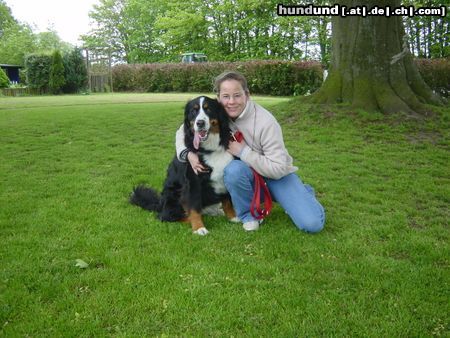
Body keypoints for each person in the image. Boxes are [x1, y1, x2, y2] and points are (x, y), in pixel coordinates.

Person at [176, 71, 325, 233]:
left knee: (312, 224)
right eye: (226, 96)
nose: (231, 102)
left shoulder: (266, 122)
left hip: (275, 175)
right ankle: (248, 215)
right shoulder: (217, 112)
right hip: (246, 176)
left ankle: (300, 192)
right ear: (218, 98)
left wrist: (243, 152)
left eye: (237, 95)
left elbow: (279, 168)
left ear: (247, 95)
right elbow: (182, 131)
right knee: (233, 170)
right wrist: (187, 154)